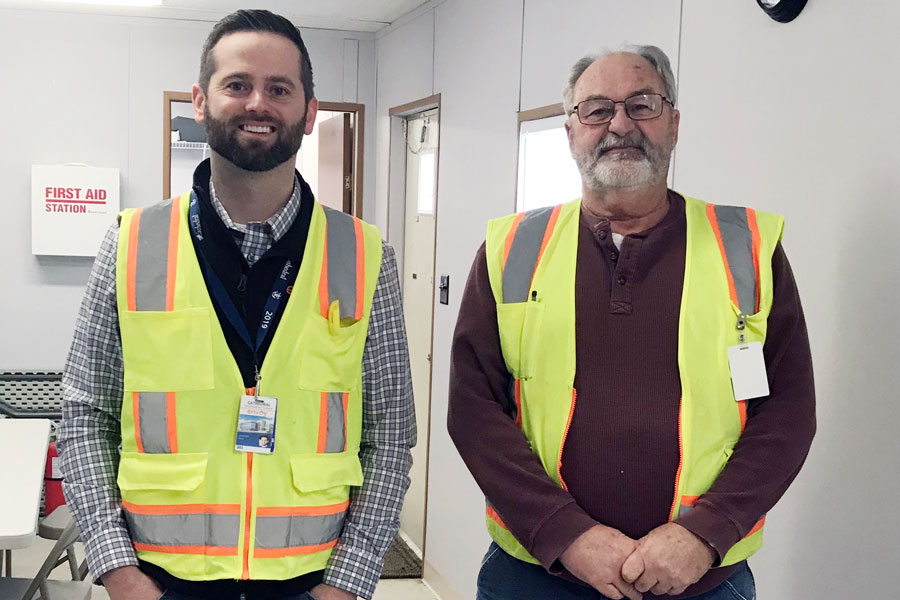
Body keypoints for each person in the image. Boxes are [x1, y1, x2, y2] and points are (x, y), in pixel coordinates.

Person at [58, 9, 415, 600]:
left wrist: (349, 583)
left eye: (279, 89)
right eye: (237, 84)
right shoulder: (130, 245)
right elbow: (83, 418)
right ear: (199, 102)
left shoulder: (365, 256)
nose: (258, 103)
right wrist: (117, 570)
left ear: (308, 111)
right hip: (161, 581)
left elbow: (390, 435)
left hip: (311, 582)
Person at [448, 45, 815, 600]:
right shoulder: (513, 248)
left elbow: (787, 413)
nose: (619, 124)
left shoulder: (746, 248)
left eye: (642, 104)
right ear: (571, 132)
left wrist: (704, 534)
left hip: (703, 579)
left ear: (672, 124)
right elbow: (473, 410)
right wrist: (566, 533)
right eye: (596, 110)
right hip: (534, 575)